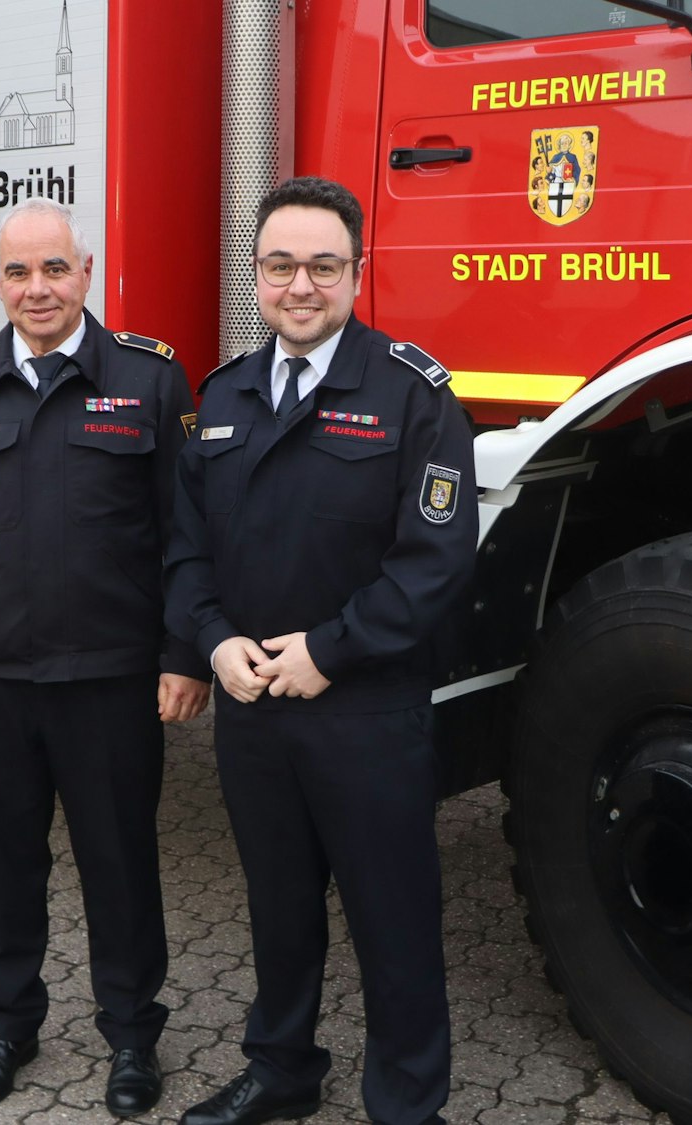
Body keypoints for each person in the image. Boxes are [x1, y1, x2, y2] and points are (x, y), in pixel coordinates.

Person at [0, 196, 211, 1118]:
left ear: (88, 272)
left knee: (121, 862)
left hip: (111, 679)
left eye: (54, 269)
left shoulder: (149, 380)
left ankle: (133, 1036)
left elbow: (185, 535)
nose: (38, 288)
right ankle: (9, 1024)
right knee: (7, 863)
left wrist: (184, 651)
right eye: (19, 272)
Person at [164, 176, 476, 1125]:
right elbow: (182, 551)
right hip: (254, 709)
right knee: (279, 909)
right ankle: (283, 1068)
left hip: (364, 711)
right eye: (281, 265)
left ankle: (406, 1104)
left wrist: (331, 650)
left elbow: (435, 562)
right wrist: (212, 643)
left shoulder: (411, 395)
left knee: (394, 924)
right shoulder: (221, 397)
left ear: (356, 272)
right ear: (256, 274)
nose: (301, 286)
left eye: (323, 267)